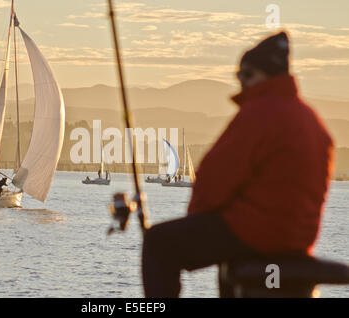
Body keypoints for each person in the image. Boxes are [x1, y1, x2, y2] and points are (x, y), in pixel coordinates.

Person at [142, 31, 334, 298]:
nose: (240, 81)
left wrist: (197, 221)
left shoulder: (259, 113)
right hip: (297, 240)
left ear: (265, 75)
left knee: (159, 242)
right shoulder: (312, 120)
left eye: (246, 74)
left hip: (256, 233)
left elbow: (214, 179)